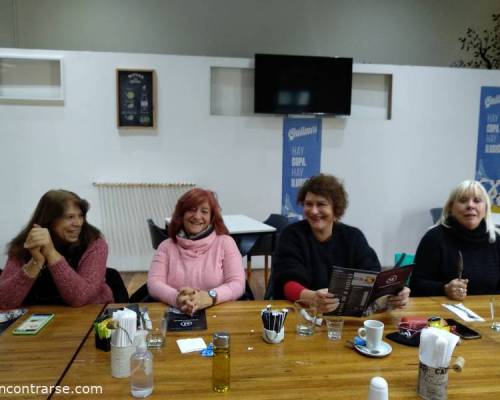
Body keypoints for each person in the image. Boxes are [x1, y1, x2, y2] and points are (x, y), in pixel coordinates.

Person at [272, 174, 410, 313]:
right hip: (303, 316)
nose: (313, 211)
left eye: (321, 204)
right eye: (308, 204)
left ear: (336, 209)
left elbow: (373, 277)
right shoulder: (291, 235)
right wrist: (312, 298)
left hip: (346, 318)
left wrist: (394, 295)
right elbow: (286, 281)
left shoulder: (353, 237)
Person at [0, 190, 114, 309]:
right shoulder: (24, 245)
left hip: (89, 314)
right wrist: (36, 262)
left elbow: (80, 297)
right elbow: (4, 302)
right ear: (50, 220)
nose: (78, 223)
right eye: (70, 217)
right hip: (37, 317)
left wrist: (51, 253)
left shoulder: (95, 244)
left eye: (80, 216)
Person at [147, 188, 245, 315]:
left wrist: (210, 296)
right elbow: (154, 283)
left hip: (218, 313)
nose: (197, 216)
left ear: (211, 217)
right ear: (181, 215)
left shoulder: (225, 243)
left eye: (204, 211)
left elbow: (238, 284)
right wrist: (177, 298)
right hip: (174, 312)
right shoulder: (166, 247)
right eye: (191, 210)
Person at [410, 180, 500, 299]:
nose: (470, 205)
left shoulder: (496, 239)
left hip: (489, 313)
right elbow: (416, 285)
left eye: (477, 201)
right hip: (442, 313)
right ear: (451, 207)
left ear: (486, 208)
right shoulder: (434, 238)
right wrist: (445, 289)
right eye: (463, 201)